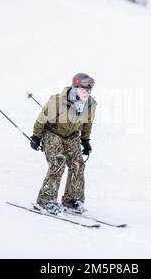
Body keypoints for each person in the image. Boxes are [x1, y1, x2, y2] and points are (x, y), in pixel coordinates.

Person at [29, 73, 97, 215]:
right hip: (52, 132)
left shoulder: (90, 105)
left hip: (71, 136)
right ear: (75, 87)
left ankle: (71, 200)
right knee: (58, 161)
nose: (87, 93)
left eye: (89, 90)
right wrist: (36, 136)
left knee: (78, 164)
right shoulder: (58, 100)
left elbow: (87, 123)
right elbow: (42, 117)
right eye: (84, 89)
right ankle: (45, 200)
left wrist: (85, 140)